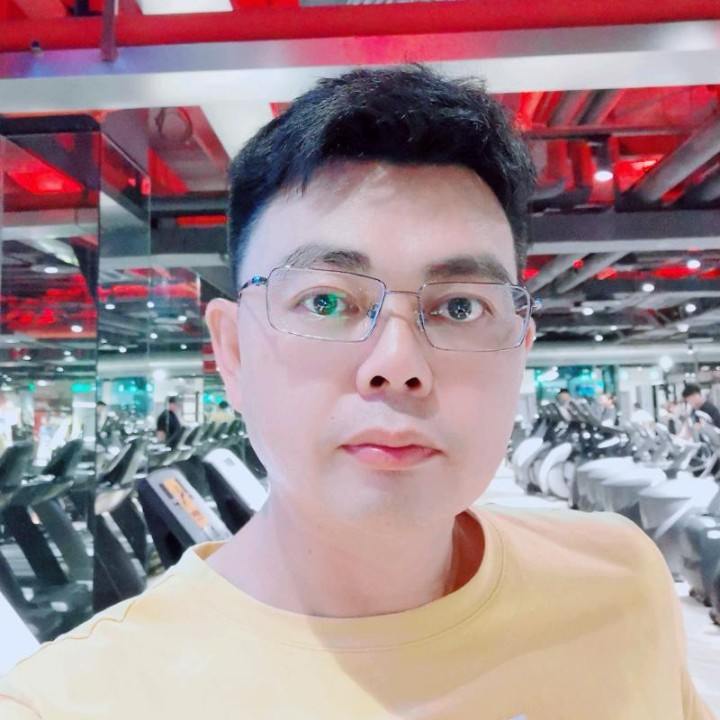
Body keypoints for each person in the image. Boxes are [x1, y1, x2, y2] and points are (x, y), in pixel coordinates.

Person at [0, 67, 713, 720]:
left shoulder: (618, 584)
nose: (397, 365)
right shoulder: (74, 703)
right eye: (326, 302)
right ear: (234, 352)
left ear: (519, 350)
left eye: (459, 306)